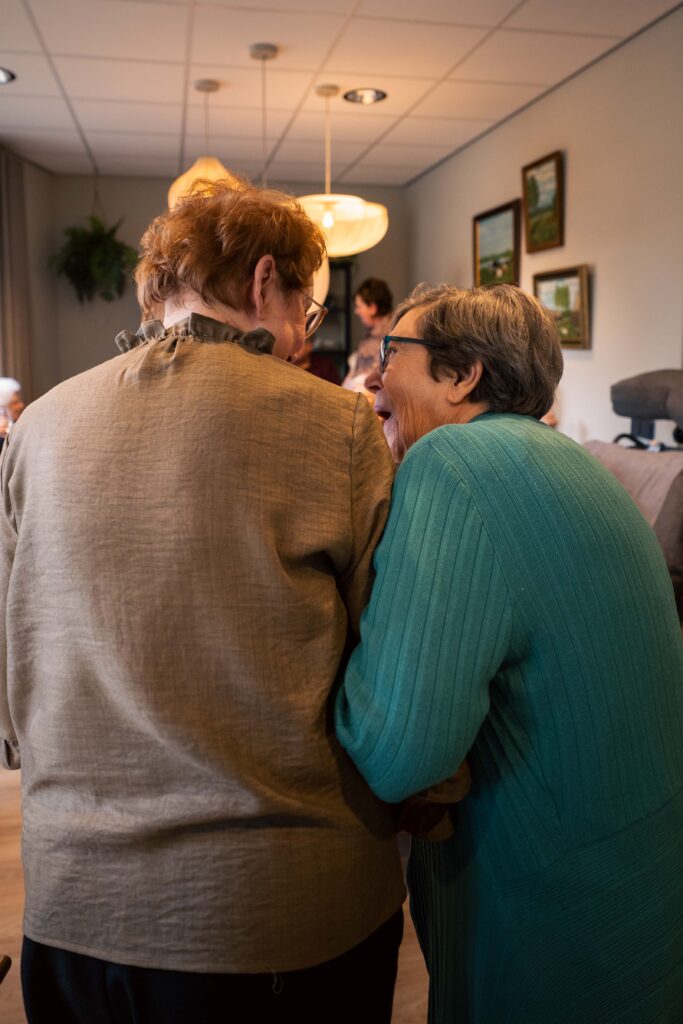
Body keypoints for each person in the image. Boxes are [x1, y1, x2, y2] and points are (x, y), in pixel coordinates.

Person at [0, 181, 405, 1024]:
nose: (302, 338)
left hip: (72, 910)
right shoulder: (336, 424)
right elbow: (392, 679)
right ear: (265, 283)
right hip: (274, 916)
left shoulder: (35, 427)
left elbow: (15, 662)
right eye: (307, 307)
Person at [336, 283, 683, 1023]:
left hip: (549, 924)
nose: (371, 377)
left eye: (391, 353)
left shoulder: (453, 465)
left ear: (462, 375)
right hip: (639, 894)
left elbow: (399, 752)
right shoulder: (580, 466)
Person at [342, 277, 393, 395]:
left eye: (359, 306)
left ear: (372, 308)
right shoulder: (370, 334)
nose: (356, 311)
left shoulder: (392, 334)